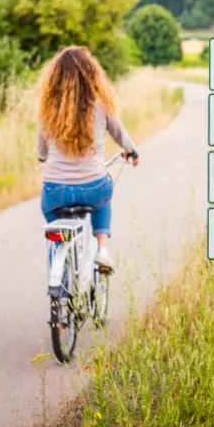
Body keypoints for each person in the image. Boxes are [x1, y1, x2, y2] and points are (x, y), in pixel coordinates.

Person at [36, 46, 139, 270]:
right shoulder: (101, 104)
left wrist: (43, 158)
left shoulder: (48, 108)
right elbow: (119, 133)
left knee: (49, 210)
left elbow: (41, 149)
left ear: (55, 76)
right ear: (91, 73)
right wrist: (131, 150)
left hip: (56, 191)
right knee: (104, 200)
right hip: (93, 187)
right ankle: (102, 250)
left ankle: (60, 263)